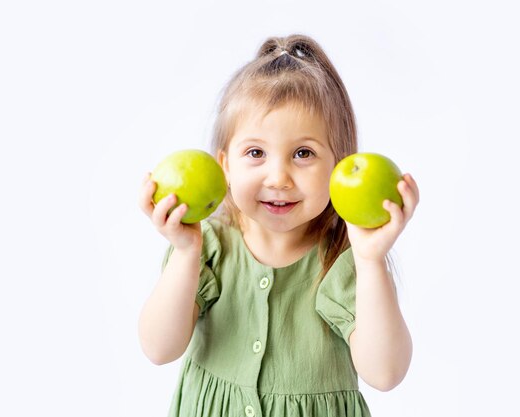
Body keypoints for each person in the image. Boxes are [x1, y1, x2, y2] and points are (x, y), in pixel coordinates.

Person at [138, 33, 419, 417]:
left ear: (339, 168)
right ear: (225, 166)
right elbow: (158, 348)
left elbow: (385, 373)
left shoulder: (344, 259)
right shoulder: (208, 246)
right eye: (256, 152)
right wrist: (186, 253)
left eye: (303, 153)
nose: (278, 177)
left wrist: (371, 261)